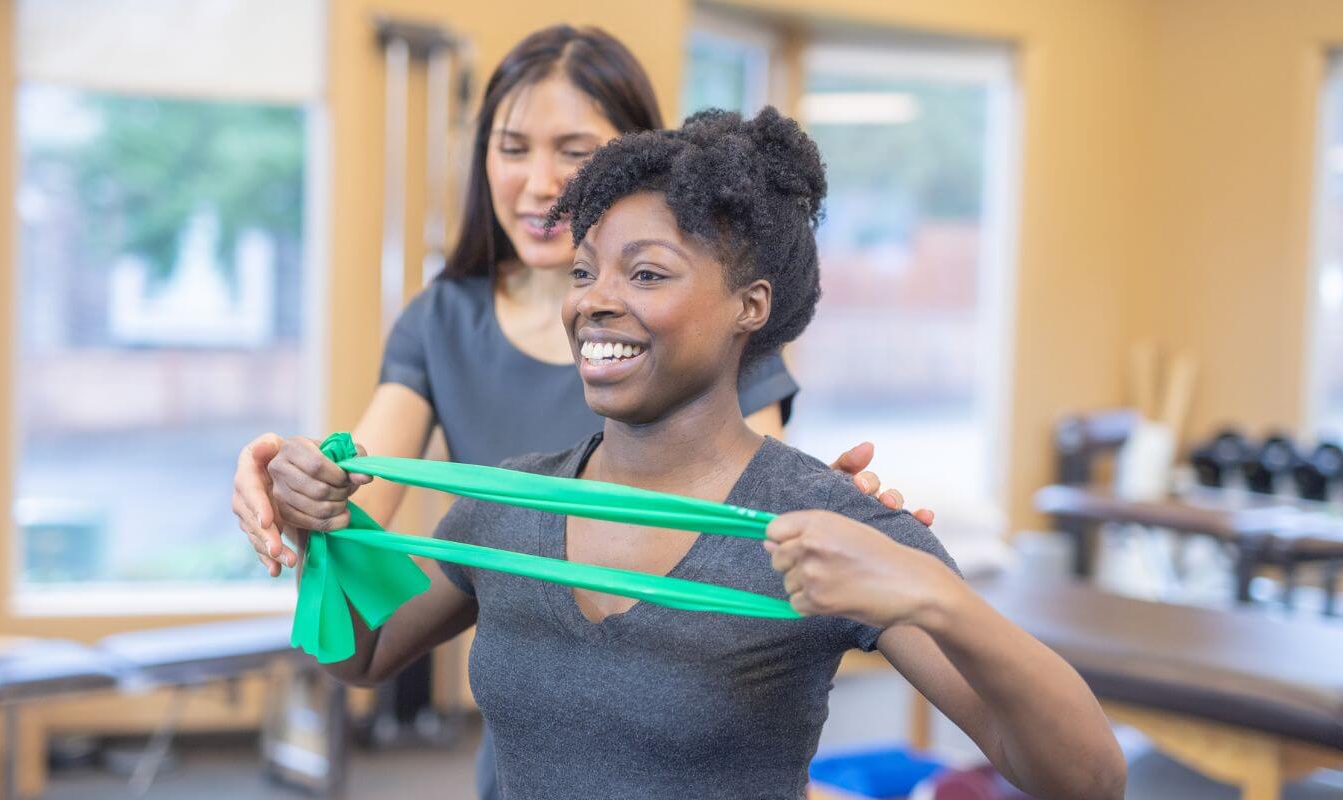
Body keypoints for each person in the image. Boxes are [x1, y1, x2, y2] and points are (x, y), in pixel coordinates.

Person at [272, 108, 1127, 799]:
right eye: (584, 273)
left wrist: (938, 598)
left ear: (749, 305)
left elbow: (1086, 779)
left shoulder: (823, 526)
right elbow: (359, 654)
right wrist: (319, 529)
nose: (595, 303)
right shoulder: (510, 502)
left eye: (646, 274)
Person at [232, 26, 931, 800]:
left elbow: (741, 514)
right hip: (528, 743)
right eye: (512, 147)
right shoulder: (443, 322)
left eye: (574, 152)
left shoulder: (697, 334)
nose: (540, 184)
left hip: (688, 734)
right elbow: (353, 490)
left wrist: (839, 509)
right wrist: (297, 490)